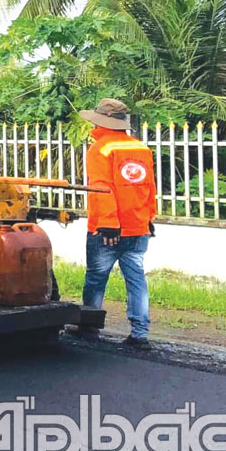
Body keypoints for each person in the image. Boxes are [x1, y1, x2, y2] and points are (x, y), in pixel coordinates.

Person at [79, 98, 157, 349]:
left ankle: (89, 326)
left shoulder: (100, 149)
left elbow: (102, 189)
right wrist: (149, 218)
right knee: (136, 279)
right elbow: (148, 187)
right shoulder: (141, 148)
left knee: (96, 278)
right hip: (138, 226)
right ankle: (140, 334)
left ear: (99, 123)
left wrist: (109, 223)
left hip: (107, 229)